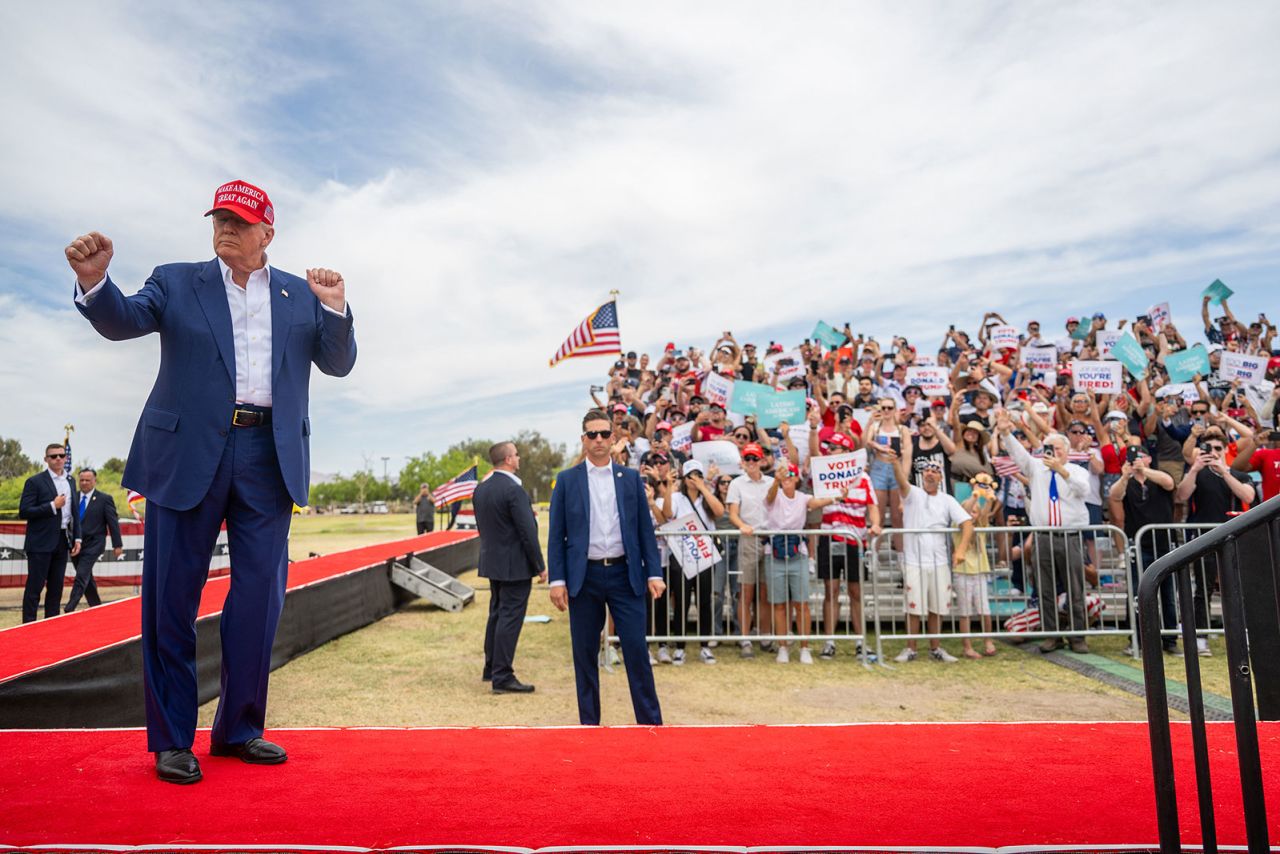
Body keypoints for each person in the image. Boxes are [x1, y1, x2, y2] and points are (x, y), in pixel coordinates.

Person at [67, 180, 357, 784]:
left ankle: (239, 728)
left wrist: (334, 307)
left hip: (268, 454)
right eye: (219, 218)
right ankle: (173, 737)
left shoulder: (300, 296)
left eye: (239, 220)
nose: (225, 228)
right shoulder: (176, 280)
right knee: (171, 599)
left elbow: (337, 362)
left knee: (259, 600)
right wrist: (96, 284)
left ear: (266, 234)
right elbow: (123, 321)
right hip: (186, 453)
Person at [547, 410, 665, 726]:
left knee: (637, 652)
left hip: (625, 575)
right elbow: (556, 533)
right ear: (583, 439)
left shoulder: (630, 481)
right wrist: (556, 579)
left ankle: (651, 724)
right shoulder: (567, 480)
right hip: (583, 578)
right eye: (592, 434)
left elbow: (644, 530)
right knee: (584, 656)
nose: (598, 440)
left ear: (612, 438)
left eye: (603, 433)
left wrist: (654, 572)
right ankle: (589, 726)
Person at [996, 411, 1092, 654]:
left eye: (1057, 448)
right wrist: (1006, 432)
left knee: (1075, 588)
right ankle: (1052, 635)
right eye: (1048, 447)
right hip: (1042, 537)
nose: (1052, 452)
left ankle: (1078, 636)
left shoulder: (1076, 469)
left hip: (1069, 537)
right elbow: (1019, 455)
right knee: (1045, 588)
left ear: (1066, 451)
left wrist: (1062, 469)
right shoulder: (1036, 468)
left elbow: (1083, 490)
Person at [473, 442, 547, 694]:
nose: (519, 458)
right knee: (509, 617)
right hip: (515, 563)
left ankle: (491, 666)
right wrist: (540, 565)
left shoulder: (481, 489)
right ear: (507, 459)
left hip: (493, 559)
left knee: (496, 613)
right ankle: (502, 675)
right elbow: (528, 532)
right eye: (516, 454)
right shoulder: (514, 490)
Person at [1175, 431, 1255, 656]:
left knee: (1238, 589)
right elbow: (1182, 495)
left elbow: (1248, 496)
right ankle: (1201, 638)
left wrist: (1225, 472)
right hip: (1203, 537)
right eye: (1208, 448)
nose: (1213, 453)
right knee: (1203, 589)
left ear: (1225, 450)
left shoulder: (1236, 473)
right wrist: (1194, 468)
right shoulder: (1196, 473)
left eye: (1218, 449)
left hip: (1233, 537)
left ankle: (1244, 636)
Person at [889, 452, 972, 663]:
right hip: (914, 560)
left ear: (941, 477)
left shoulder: (947, 500)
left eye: (935, 471)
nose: (931, 474)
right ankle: (911, 648)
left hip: (939, 560)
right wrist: (896, 463)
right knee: (913, 607)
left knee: (938, 607)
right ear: (922, 474)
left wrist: (960, 550)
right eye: (927, 470)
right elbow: (900, 480)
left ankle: (936, 648)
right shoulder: (913, 493)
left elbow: (967, 524)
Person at [764, 463, 840, 664]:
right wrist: (776, 480)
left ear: (797, 478)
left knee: (802, 603)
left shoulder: (803, 498)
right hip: (774, 553)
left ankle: (804, 647)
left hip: (798, 554)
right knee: (779, 604)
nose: (787, 478)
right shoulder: (774, 493)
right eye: (784, 475)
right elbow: (770, 497)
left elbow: (817, 503)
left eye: (791, 474)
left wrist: (837, 496)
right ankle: (783, 647)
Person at [1108, 446, 1179, 655]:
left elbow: (1169, 483)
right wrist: (1125, 476)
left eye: (1140, 457)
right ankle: (1137, 639)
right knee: (1138, 593)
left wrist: (1143, 470)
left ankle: (1170, 639)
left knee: (1168, 594)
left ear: (1148, 458)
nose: (1136, 461)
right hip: (1138, 545)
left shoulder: (1157, 477)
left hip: (1164, 544)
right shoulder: (1126, 482)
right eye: (1132, 459)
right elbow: (1114, 496)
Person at [657, 459, 724, 664]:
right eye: (690, 476)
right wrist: (668, 488)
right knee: (682, 602)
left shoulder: (707, 496)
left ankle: (704, 646)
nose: (694, 479)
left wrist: (704, 488)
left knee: (704, 601)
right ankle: (680, 647)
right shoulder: (677, 497)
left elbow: (720, 512)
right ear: (684, 479)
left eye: (698, 474)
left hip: (704, 556)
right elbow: (667, 514)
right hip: (681, 555)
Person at [18, 443, 82, 623]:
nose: (58, 459)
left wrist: (77, 536)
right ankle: (28, 626)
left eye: (61, 455)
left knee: (56, 589)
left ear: (66, 458)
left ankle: (51, 625)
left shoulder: (70, 480)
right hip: (40, 542)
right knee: (35, 588)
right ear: (46, 460)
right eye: (53, 456)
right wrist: (52, 506)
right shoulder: (35, 481)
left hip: (62, 541)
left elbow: (74, 512)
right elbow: (24, 511)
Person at [726, 442, 775, 657]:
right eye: (748, 459)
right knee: (746, 592)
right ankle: (745, 638)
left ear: (762, 460)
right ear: (743, 462)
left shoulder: (772, 482)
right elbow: (733, 513)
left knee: (765, 593)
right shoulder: (736, 484)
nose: (752, 463)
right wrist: (742, 526)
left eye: (755, 459)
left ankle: (764, 635)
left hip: (770, 538)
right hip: (748, 538)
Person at [64, 467, 123, 613]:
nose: (84, 483)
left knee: (81, 574)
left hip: (95, 544)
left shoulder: (104, 499)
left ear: (94, 481)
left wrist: (117, 545)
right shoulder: (73, 497)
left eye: (87, 480)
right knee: (86, 578)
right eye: (82, 480)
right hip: (76, 544)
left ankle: (69, 608)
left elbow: (113, 523)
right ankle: (96, 608)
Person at [955, 475, 998, 658]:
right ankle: (967, 646)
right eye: (970, 511)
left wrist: (987, 497)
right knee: (965, 612)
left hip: (979, 572)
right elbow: (964, 509)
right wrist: (974, 496)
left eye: (975, 511)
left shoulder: (981, 525)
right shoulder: (957, 526)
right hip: (962, 572)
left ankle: (988, 640)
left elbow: (986, 510)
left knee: (984, 610)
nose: (972, 513)